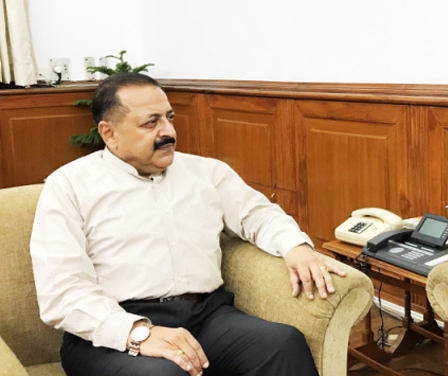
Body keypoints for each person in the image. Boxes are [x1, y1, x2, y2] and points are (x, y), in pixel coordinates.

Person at [30, 73, 346, 376]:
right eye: (151, 123)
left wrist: (295, 246)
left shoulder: (206, 172)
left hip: (206, 316)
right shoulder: (68, 186)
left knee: (281, 344)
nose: (168, 132)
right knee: (162, 372)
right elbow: (62, 291)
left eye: (169, 117)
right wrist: (137, 332)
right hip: (110, 330)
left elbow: (257, 213)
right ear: (109, 133)